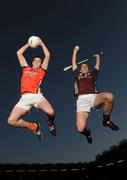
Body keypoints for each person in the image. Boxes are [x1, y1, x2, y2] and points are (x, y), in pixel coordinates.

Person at [7, 36, 56, 141]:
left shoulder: (41, 71)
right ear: (32, 62)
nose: (37, 62)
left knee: (51, 113)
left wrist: (42, 43)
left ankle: (51, 122)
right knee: (11, 121)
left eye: (39, 61)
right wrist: (28, 44)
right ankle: (34, 127)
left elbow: (47, 55)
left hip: (37, 97)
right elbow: (18, 53)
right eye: (36, 60)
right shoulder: (26, 68)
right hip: (24, 99)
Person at [71, 45, 119, 144]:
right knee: (80, 129)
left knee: (109, 96)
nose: (84, 67)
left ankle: (106, 121)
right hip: (81, 100)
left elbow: (97, 66)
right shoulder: (77, 75)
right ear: (80, 70)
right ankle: (88, 133)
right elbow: (73, 63)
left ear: (88, 69)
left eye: (86, 66)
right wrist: (75, 51)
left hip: (93, 97)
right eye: (82, 66)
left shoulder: (92, 75)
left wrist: (97, 57)